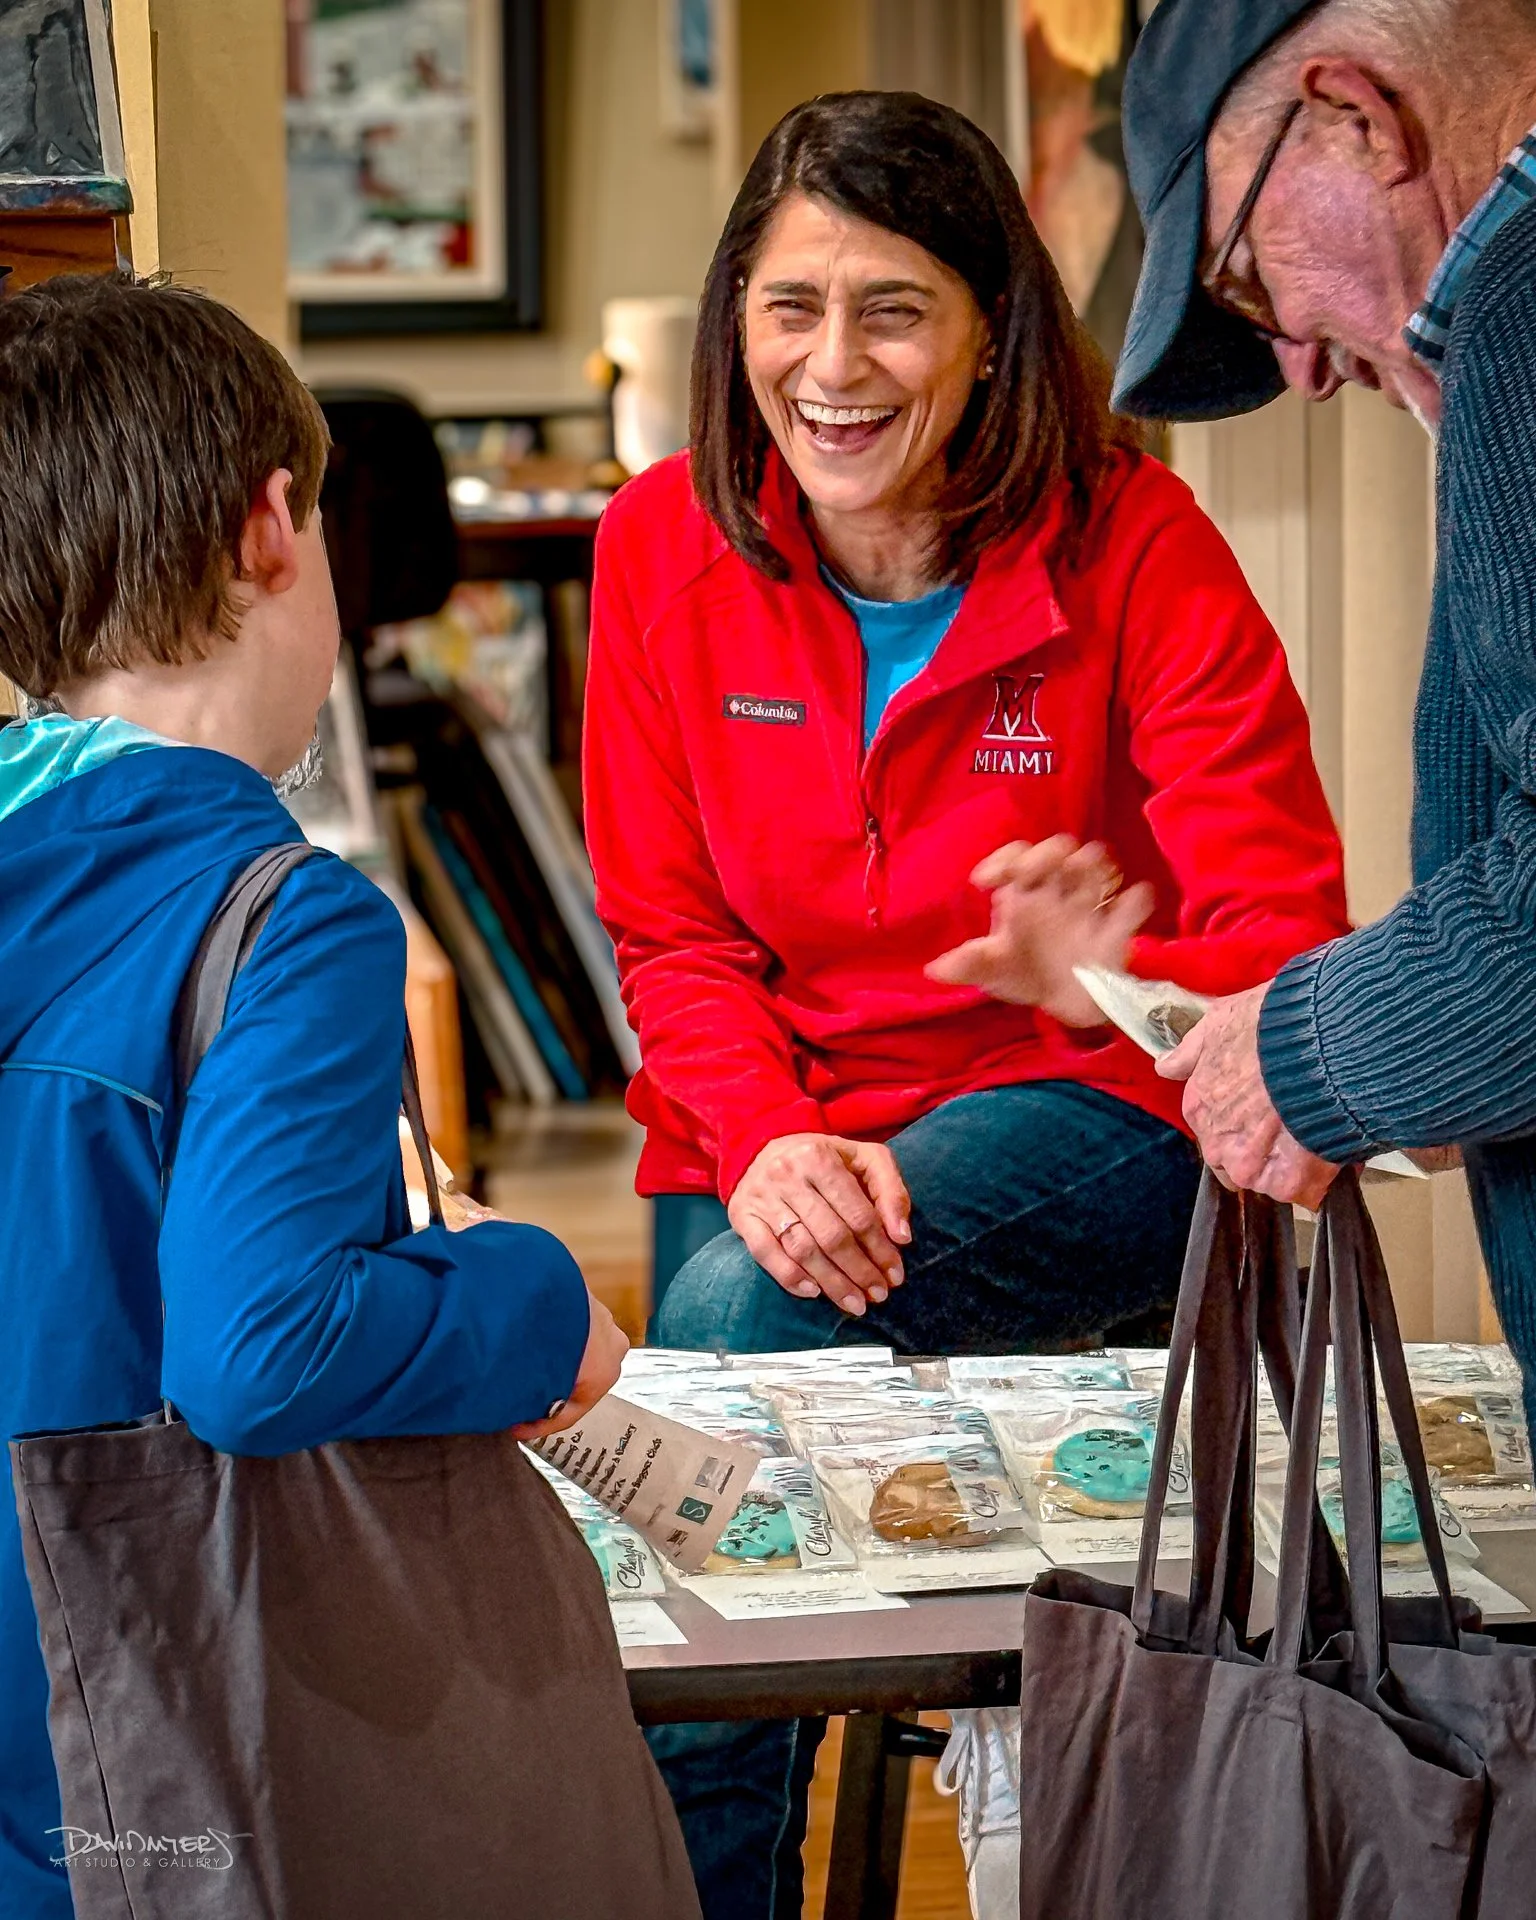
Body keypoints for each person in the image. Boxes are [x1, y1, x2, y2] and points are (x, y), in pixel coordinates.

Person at [583, 90, 1350, 1920]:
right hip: (764, 1124)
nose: (830, 365)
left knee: (719, 1357)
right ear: (734, 324)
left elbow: (1283, 954)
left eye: (891, 309)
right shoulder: (656, 550)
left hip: (1092, 1114)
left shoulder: (1141, 548)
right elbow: (669, 938)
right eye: (790, 307)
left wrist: (1101, 982)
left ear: (991, 324)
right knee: (704, 1442)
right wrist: (769, 1136)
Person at [0, 273, 632, 1917]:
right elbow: (258, 1352)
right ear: (275, 526)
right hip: (132, 1722)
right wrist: (537, 1296)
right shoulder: (290, 917)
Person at [1111, 0, 1536, 1418]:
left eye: (1244, 280)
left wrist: (1306, 1050)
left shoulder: (1526, 309)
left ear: (1358, 115)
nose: (1293, 355)